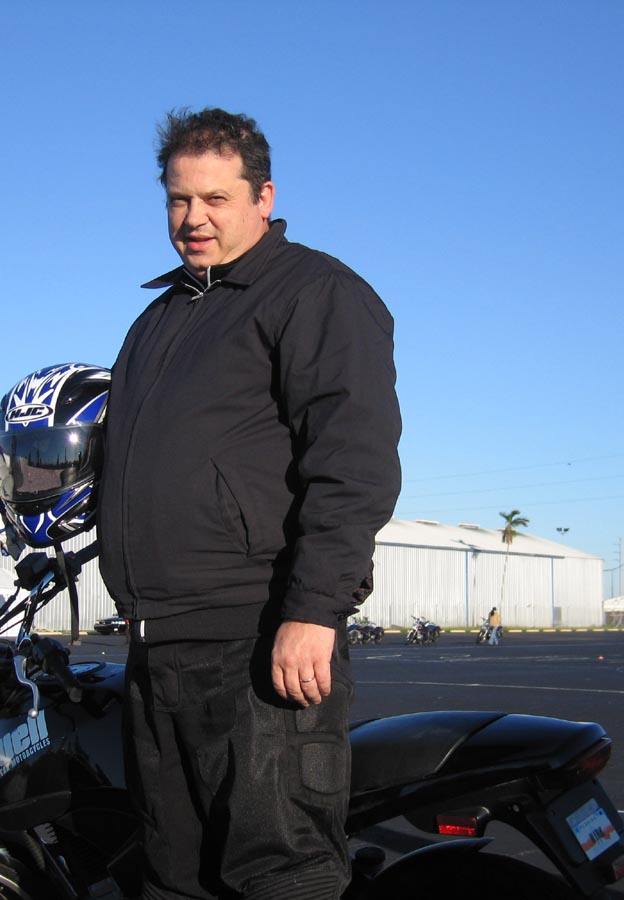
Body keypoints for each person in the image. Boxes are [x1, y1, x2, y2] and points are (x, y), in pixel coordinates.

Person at [96, 107, 402, 900]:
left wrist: (314, 610)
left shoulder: (314, 293)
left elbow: (354, 464)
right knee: (173, 877)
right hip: (158, 646)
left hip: (257, 643)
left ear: (264, 197)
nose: (193, 218)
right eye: (178, 199)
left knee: (279, 875)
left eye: (215, 199)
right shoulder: (157, 320)